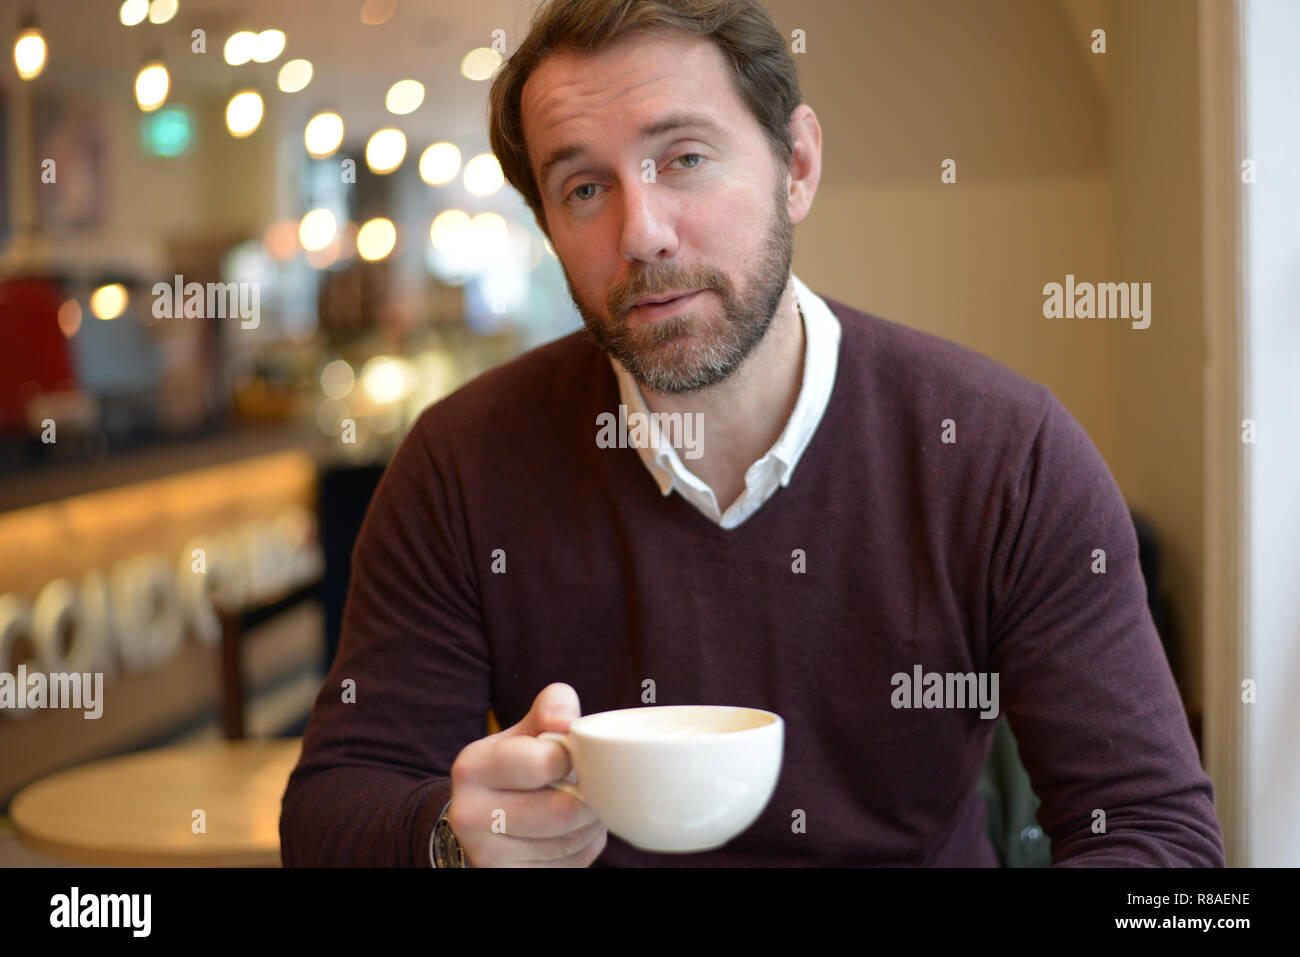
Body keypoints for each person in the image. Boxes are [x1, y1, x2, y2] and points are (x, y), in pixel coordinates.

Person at [280, 0, 1225, 867]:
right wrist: (448, 839)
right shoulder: (461, 465)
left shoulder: (1003, 455)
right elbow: (331, 809)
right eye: (582, 188)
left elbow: (1159, 840)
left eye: (684, 157)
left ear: (797, 165)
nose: (641, 231)